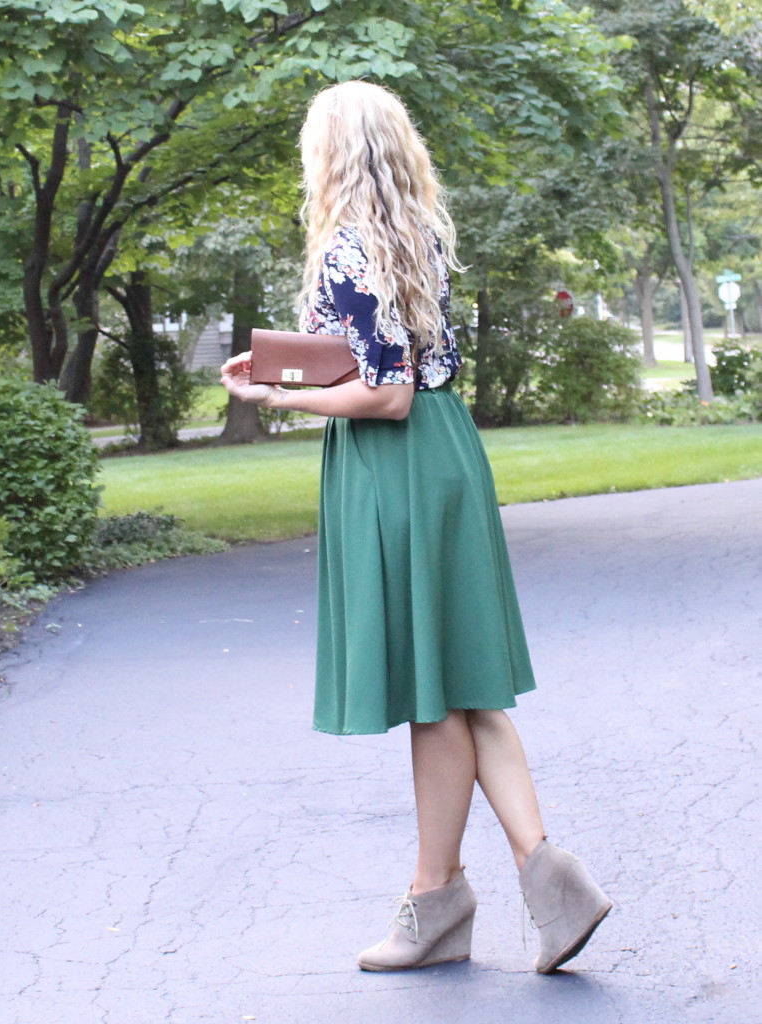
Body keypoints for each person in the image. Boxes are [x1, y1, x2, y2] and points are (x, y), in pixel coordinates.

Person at [220, 80, 612, 974]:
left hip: (390, 464)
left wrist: (274, 395)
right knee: (466, 687)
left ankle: (442, 902)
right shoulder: (418, 237)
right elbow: (381, 364)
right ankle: (537, 883)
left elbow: (383, 394)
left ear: (330, 155)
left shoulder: (344, 250)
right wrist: (294, 366)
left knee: (435, 692)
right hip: (447, 452)